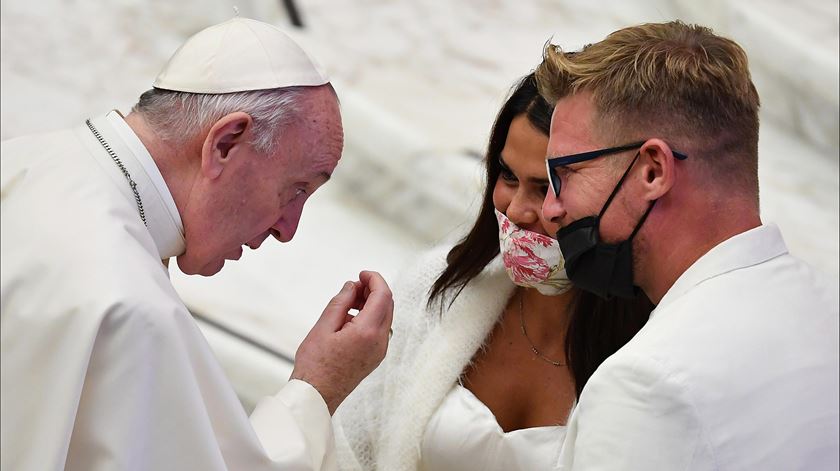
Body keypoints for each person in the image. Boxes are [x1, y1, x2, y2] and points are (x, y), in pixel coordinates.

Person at [0, 17, 393, 471]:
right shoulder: (128, 309)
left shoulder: (23, 160)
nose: (288, 229)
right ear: (225, 143)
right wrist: (318, 388)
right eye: (296, 189)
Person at [536, 20, 840, 470]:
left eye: (566, 174)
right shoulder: (826, 307)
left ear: (653, 170)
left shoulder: (648, 382)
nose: (549, 209)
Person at [332, 71, 653, 471]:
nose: (517, 210)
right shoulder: (434, 286)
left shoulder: (656, 345)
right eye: (508, 176)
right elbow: (348, 446)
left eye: (546, 186)